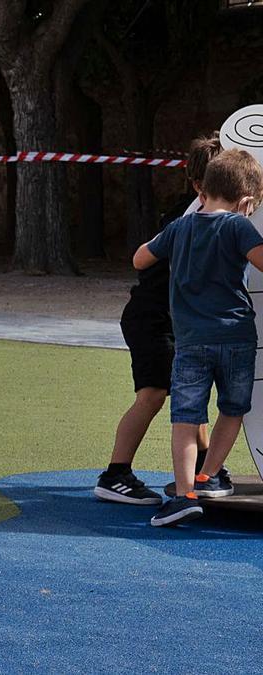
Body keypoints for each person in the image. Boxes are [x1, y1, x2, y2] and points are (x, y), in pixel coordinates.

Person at [133, 148, 263, 527]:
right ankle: (210, 475)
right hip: (236, 336)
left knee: (186, 418)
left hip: (190, 342)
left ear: (202, 191)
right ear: (248, 202)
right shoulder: (239, 226)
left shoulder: (180, 227)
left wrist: (173, 243)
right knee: (233, 409)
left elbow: (140, 259)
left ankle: (185, 494)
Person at [95, 134, 222, 505]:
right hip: (152, 319)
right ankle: (115, 474)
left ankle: (205, 466)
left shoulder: (208, 214)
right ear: (200, 186)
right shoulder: (189, 218)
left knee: (190, 390)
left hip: (174, 320)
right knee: (153, 394)